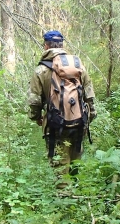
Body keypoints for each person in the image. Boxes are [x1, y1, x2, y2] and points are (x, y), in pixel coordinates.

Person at [27, 30, 96, 183]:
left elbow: (34, 100)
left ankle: (64, 199)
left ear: (46, 46)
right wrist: (89, 117)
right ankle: (77, 197)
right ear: (62, 45)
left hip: (55, 125)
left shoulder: (41, 70)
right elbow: (89, 95)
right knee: (75, 163)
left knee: (60, 168)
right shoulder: (78, 66)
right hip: (79, 123)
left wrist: (36, 117)